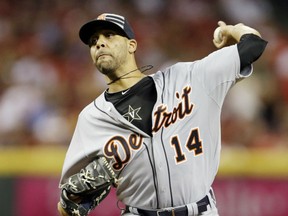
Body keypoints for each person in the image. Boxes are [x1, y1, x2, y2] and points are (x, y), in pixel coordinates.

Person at [57, 13, 267, 216]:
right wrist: (70, 203)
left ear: (132, 45)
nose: (99, 43)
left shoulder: (188, 78)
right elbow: (68, 203)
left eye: (109, 35)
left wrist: (234, 30)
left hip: (200, 210)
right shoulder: (92, 118)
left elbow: (253, 45)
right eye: (93, 41)